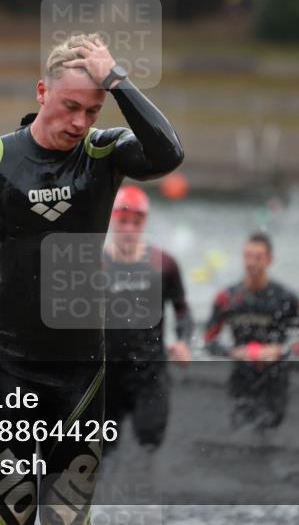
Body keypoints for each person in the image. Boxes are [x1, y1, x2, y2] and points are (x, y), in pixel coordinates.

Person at [0, 33, 183, 525]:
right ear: (41, 92)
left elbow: (168, 154)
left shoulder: (104, 154)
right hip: (5, 366)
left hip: (80, 373)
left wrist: (118, 82)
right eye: (70, 106)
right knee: (11, 517)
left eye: (92, 111)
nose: (79, 122)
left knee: (66, 520)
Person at [101, 185, 192, 456]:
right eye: (123, 220)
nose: (129, 228)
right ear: (112, 220)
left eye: (136, 222)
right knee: (101, 451)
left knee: (150, 438)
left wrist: (184, 342)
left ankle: (147, 494)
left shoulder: (163, 265)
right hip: (106, 375)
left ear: (144, 223)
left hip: (149, 373)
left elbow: (183, 310)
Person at [204, 232, 299, 430]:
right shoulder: (227, 298)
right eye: (247, 256)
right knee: (241, 431)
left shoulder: (286, 298)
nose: (251, 263)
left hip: (274, 378)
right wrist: (232, 352)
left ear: (270, 260)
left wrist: (280, 351)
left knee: (269, 426)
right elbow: (208, 341)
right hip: (241, 376)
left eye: (258, 257)